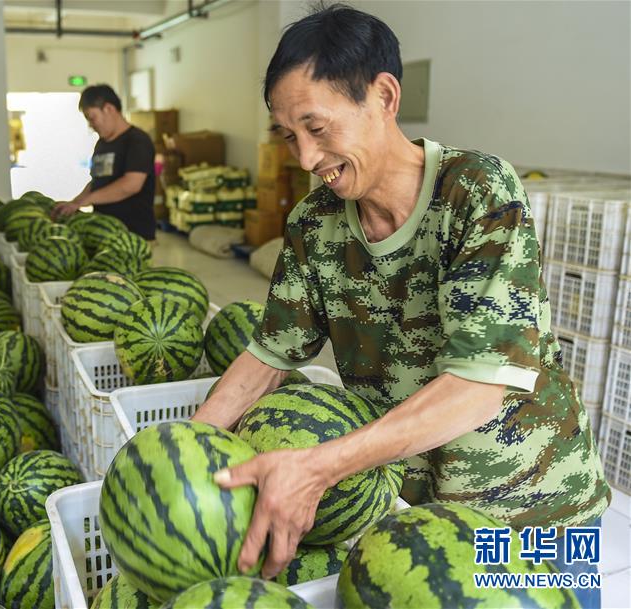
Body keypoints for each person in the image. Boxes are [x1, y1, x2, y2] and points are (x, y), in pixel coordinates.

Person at [192, 5, 610, 606]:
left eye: (317, 127)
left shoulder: (476, 191)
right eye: (288, 135)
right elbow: (270, 354)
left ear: (384, 96)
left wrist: (318, 466)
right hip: (419, 518)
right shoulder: (314, 223)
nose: (305, 158)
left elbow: (478, 385)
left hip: (533, 511)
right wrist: (187, 449)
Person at [52, 84, 157, 241]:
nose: (91, 125)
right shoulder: (102, 144)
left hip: (134, 236)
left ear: (108, 109)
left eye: (92, 118)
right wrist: (74, 203)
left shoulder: (137, 141)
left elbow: (131, 185)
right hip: (104, 233)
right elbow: (97, 182)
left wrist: (85, 201)